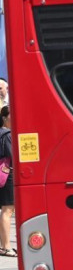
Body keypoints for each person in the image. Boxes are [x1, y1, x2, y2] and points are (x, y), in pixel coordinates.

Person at [0, 106, 14, 257]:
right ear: (4, 117)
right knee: (8, 210)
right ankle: (6, 246)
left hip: (3, 174)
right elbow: (13, 155)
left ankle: (3, 245)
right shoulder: (8, 134)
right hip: (8, 174)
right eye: (12, 115)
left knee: (5, 210)